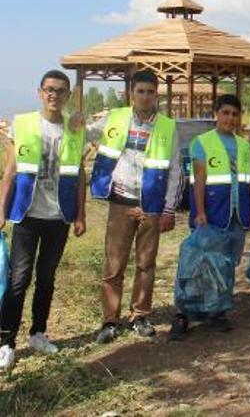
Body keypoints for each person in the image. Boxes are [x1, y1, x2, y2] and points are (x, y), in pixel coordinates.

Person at [83, 70, 182, 344]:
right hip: (120, 202)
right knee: (114, 264)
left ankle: (140, 315)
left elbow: (175, 170)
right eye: (141, 91)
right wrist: (74, 123)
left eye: (151, 92)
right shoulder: (114, 118)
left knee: (146, 264)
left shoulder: (167, 126)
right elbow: (85, 132)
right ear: (131, 93)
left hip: (151, 205)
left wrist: (169, 209)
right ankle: (109, 321)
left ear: (156, 95)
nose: (146, 96)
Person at [0, 70, 87, 371]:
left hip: (58, 216)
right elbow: (10, 171)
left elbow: (79, 175)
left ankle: (38, 333)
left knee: (46, 279)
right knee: (18, 280)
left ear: (68, 95)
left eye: (61, 91)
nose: (54, 95)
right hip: (26, 214)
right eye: (49, 89)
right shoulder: (23, 124)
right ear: (40, 92)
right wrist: (1, 210)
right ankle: (6, 341)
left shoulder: (75, 129)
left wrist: (80, 214)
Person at [169, 95, 250, 340]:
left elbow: (247, 180)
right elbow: (199, 181)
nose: (230, 118)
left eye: (235, 114)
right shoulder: (201, 143)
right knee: (200, 263)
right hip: (213, 213)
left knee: (227, 263)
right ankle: (184, 312)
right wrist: (200, 211)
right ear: (216, 114)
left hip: (237, 214)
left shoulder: (244, 145)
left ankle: (217, 310)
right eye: (225, 113)